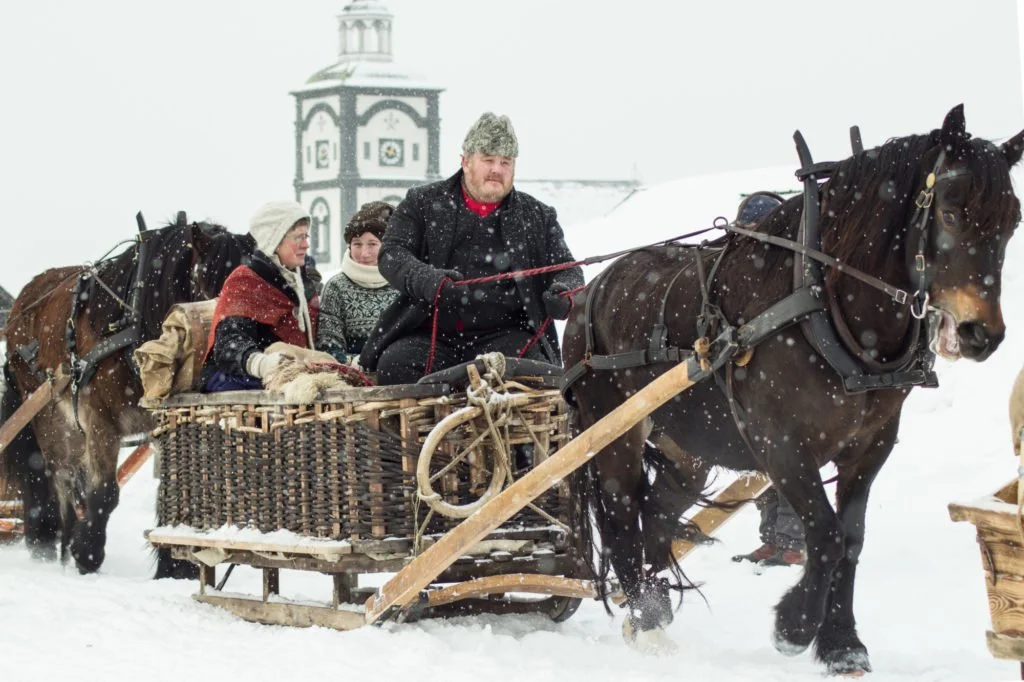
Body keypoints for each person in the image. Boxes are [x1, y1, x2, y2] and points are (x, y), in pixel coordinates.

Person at [360, 112, 584, 385]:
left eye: (505, 162)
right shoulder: (422, 203)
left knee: (531, 374)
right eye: (488, 159)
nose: (497, 170)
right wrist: (429, 281)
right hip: (429, 333)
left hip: (507, 338)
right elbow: (392, 254)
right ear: (465, 162)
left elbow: (567, 269)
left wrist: (565, 294)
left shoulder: (537, 216)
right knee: (395, 365)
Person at [726, 189, 807, 567]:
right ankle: (772, 537)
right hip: (751, 383)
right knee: (761, 464)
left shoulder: (795, 274)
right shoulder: (736, 272)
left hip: (791, 387)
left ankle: (793, 542)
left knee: (790, 462)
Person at [200, 201, 321, 392]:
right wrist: (263, 364)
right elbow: (228, 344)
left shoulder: (302, 283)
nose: (306, 245)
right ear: (274, 240)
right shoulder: (246, 281)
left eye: (306, 236)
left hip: (292, 370)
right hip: (240, 377)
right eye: (298, 238)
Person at [317, 201, 399, 363]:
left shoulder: (402, 284)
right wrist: (358, 365)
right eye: (357, 244)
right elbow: (329, 345)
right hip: (352, 376)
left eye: (372, 244)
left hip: (399, 371)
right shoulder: (336, 287)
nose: (364, 253)